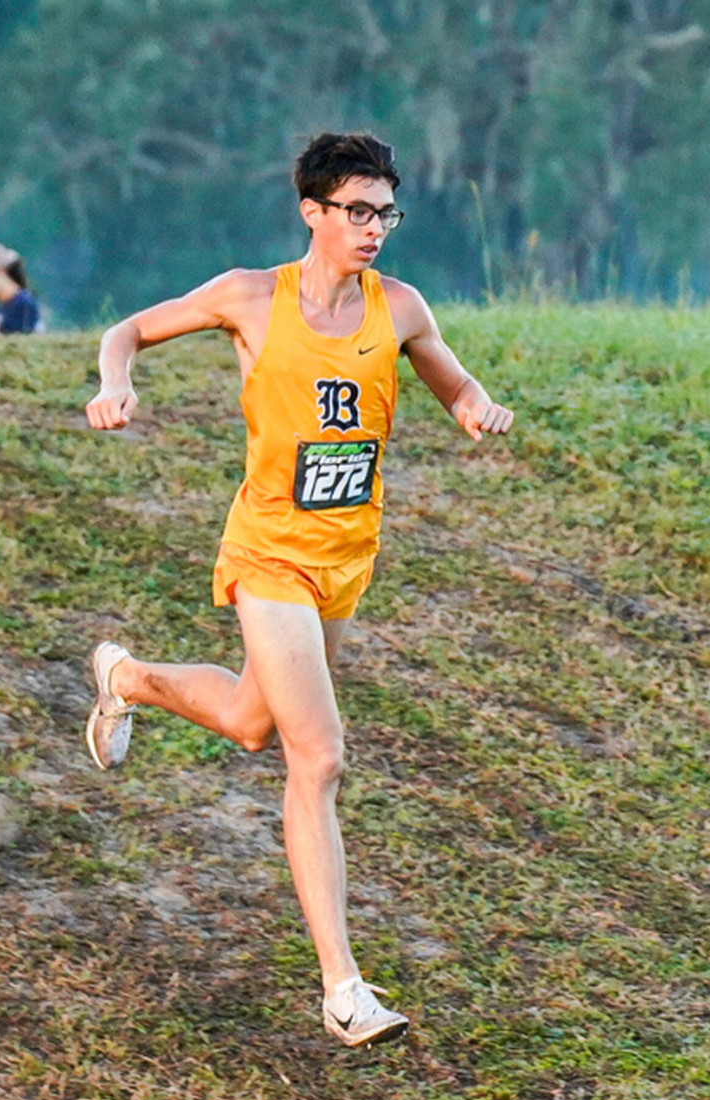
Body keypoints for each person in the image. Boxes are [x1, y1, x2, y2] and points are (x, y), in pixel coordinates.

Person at [83, 131, 513, 1047]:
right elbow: (128, 331)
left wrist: (474, 405)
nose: (374, 228)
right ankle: (343, 991)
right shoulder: (250, 297)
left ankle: (125, 679)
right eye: (356, 211)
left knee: (251, 723)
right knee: (317, 759)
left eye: (386, 213)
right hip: (270, 552)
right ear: (312, 212)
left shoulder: (400, 308)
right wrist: (115, 384)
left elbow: (452, 380)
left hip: (345, 556)